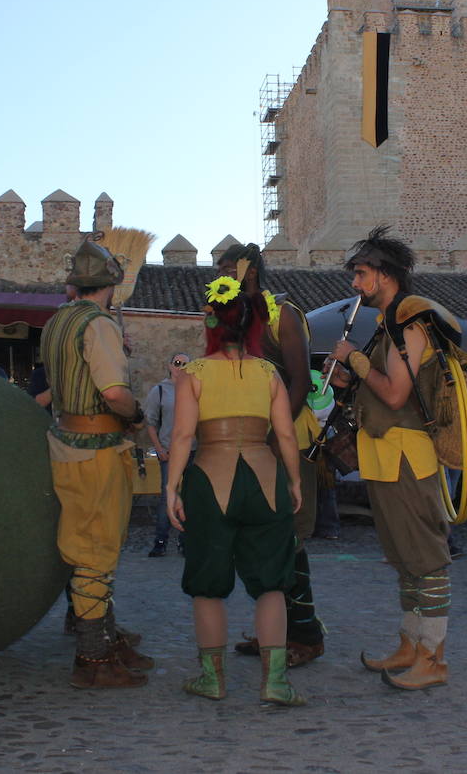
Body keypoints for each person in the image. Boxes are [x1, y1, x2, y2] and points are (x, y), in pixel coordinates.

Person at [165, 275, 305, 706]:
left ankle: (213, 679)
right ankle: (276, 682)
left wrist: (171, 487)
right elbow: (284, 436)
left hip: (210, 479)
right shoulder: (268, 372)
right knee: (272, 586)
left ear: (212, 324)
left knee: (208, 585)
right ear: (252, 327)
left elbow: (183, 435)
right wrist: (295, 481)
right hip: (266, 481)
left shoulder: (193, 374)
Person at [329, 227, 452, 691]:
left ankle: (433, 658)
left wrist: (356, 361)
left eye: (361, 275)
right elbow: (381, 390)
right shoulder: (387, 326)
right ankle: (409, 644)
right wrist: (349, 380)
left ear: (384, 275)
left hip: (407, 456)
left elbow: (398, 394)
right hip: (383, 455)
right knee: (403, 560)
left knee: (426, 559)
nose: (355, 285)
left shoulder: (409, 323)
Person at [39, 239, 152, 688]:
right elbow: (114, 393)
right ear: (109, 284)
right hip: (96, 447)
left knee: (94, 548)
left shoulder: (56, 321)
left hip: (67, 439)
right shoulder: (99, 325)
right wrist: (138, 415)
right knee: (95, 552)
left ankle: (104, 637)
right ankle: (93, 657)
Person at [217, 243, 328, 667]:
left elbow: (300, 382)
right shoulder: (231, 319)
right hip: (248, 442)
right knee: (259, 538)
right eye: (218, 269)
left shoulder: (283, 315)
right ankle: (272, 630)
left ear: (250, 271)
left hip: (288, 443)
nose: (220, 276)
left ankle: (306, 635)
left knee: (288, 540)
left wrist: (273, 437)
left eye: (227, 269)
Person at [144, 352, 190, 558]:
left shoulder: (195, 389)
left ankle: (185, 541)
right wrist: (159, 449)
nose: (181, 367)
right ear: (170, 366)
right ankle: (160, 541)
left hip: (193, 450)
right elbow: (150, 423)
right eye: (178, 363)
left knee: (189, 497)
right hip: (169, 452)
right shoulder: (160, 391)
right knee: (167, 498)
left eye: (186, 364)